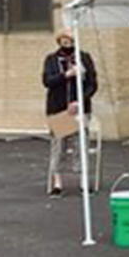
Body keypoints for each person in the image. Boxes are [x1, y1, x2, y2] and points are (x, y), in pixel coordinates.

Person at [42, 29, 98, 195]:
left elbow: (92, 84)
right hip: (58, 110)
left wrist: (80, 102)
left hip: (78, 110)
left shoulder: (84, 58)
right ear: (59, 42)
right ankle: (57, 184)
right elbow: (47, 81)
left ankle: (83, 182)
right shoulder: (51, 59)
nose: (67, 45)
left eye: (71, 41)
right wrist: (66, 74)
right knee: (58, 147)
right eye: (64, 41)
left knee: (81, 145)